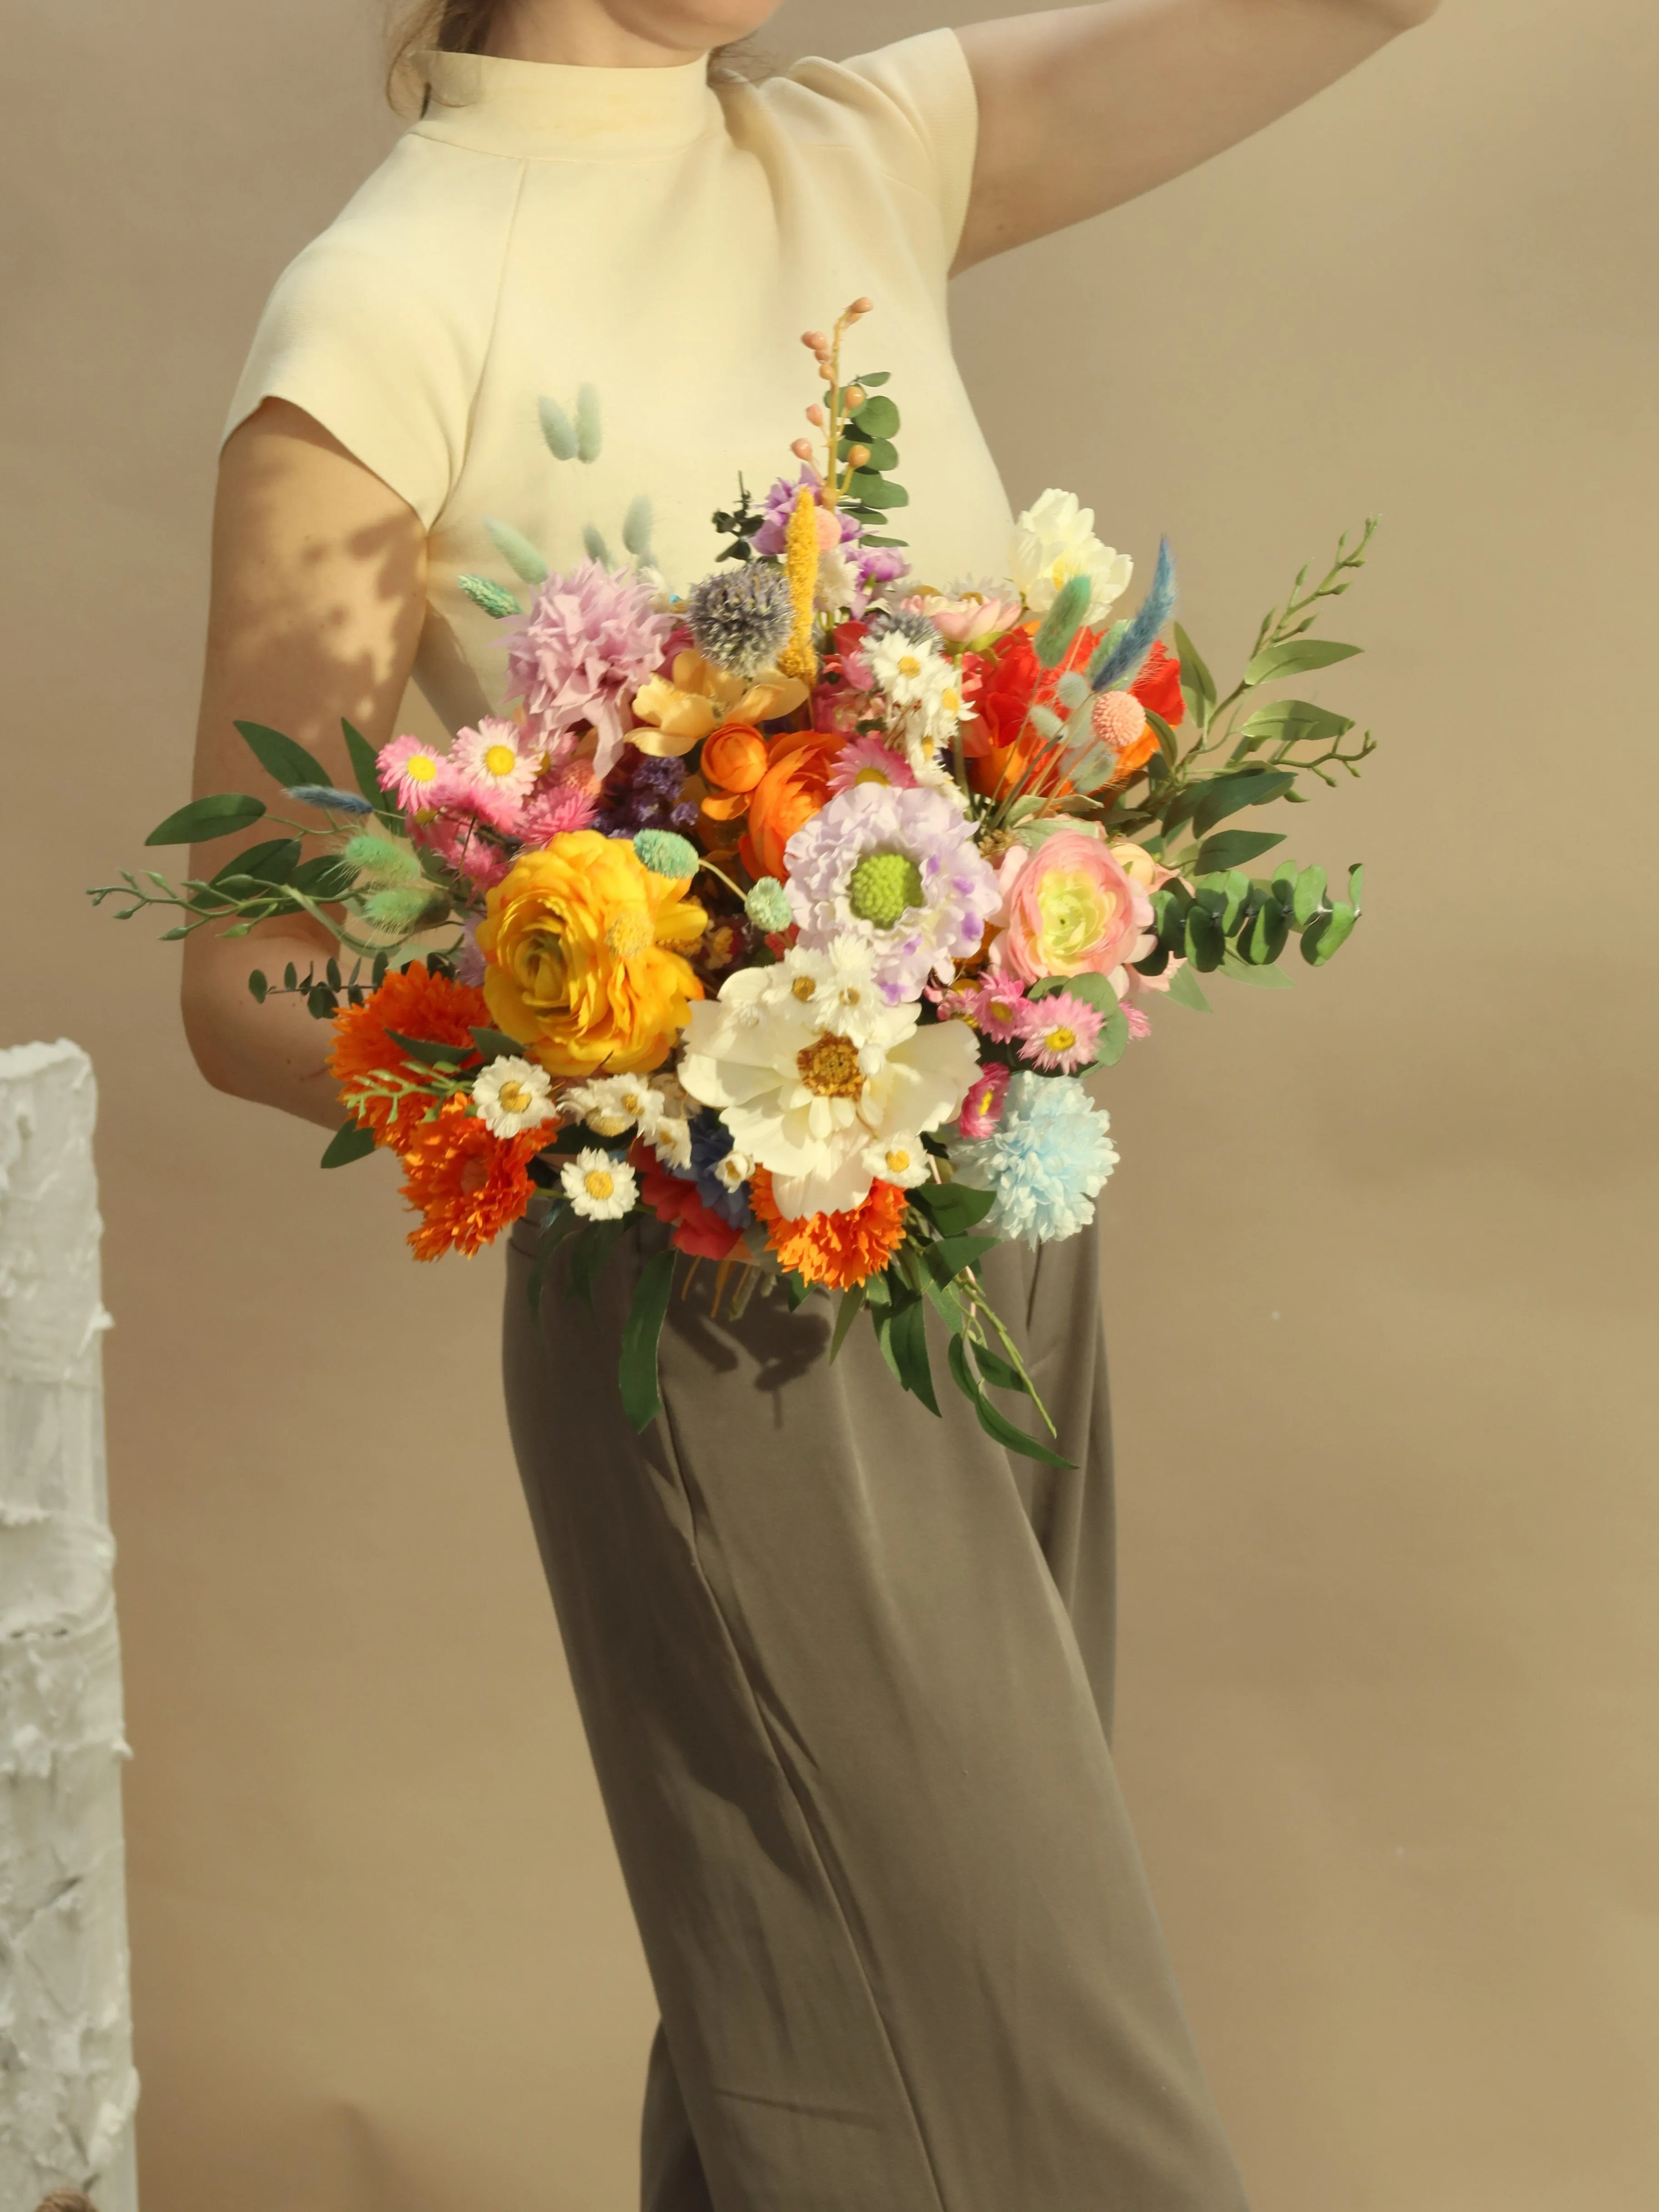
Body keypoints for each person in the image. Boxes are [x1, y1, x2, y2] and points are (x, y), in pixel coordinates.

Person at [183, 2, 1440, 2205]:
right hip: (727, 1312)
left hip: (997, 1249)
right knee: (1024, 2105)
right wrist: (652, 1053)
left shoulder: (862, 146)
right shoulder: (383, 306)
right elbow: (255, 969)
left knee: (853, 2061)